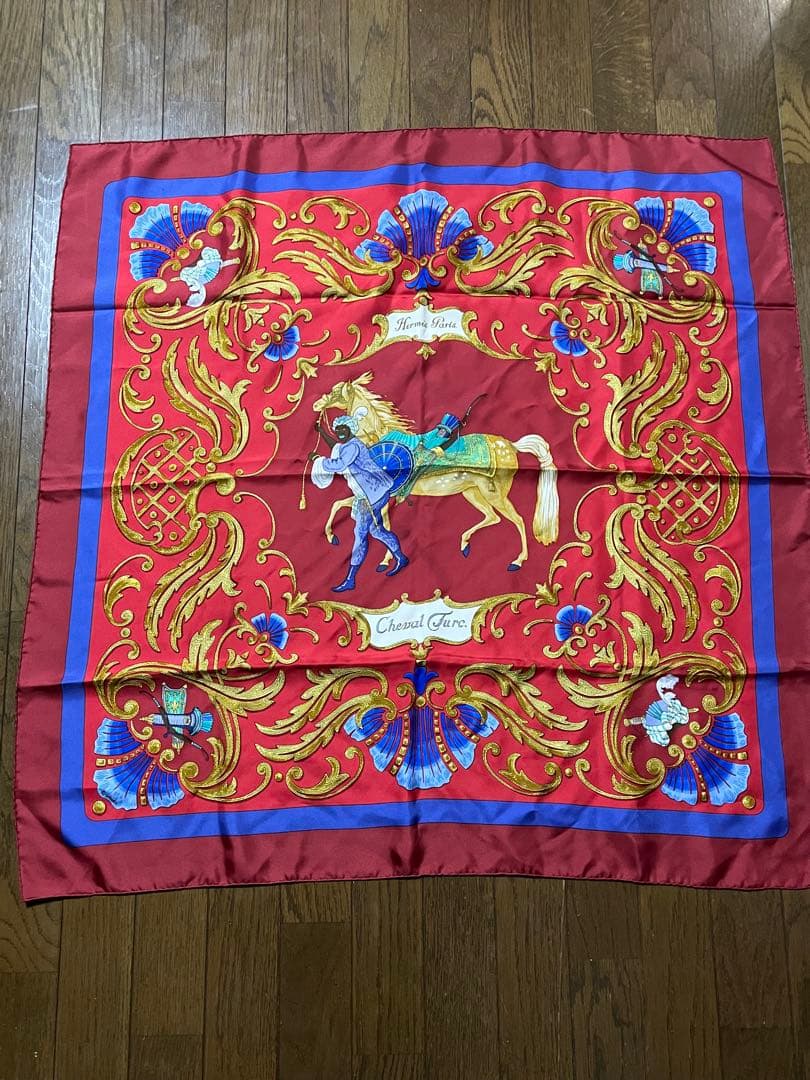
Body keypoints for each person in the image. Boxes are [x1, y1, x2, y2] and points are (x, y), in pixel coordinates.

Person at [310, 410, 409, 592]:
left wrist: (319, 460)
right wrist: (322, 432)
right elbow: (336, 448)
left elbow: (339, 464)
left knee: (360, 534)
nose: (340, 432)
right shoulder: (347, 445)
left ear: (351, 429)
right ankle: (400, 557)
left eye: (343, 429)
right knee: (376, 530)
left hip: (371, 495)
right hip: (372, 493)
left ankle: (351, 579)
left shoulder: (353, 446)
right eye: (337, 429)